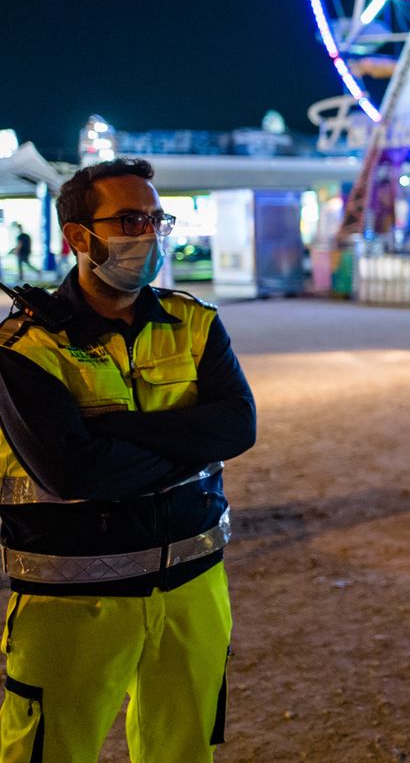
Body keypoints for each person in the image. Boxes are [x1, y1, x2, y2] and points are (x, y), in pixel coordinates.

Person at [0, 158, 256, 761]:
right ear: (78, 238)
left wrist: (123, 431)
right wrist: (190, 446)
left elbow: (239, 426)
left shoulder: (193, 322)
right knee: (50, 751)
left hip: (195, 586)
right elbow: (74, 474)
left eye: (156, 218)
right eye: (130, 219)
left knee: (184, 750)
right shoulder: (26, 345)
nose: (149, 233)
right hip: (72, 598)